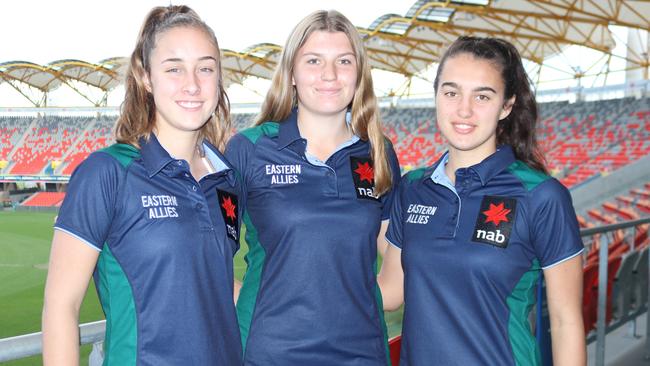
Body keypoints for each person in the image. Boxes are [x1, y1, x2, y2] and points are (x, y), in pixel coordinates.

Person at [42, 5, 242, 365]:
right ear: (146, 77)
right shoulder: (107, 173)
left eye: (206, 68)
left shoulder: (225, 179)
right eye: (174, 68)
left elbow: (213, 285)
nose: (193, 84)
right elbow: (61, 306)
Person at [378, 36, 586, 366]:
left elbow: (565, 322)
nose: (464, 109)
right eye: (451, 92)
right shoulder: (413, 188)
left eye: (482, 96)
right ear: (436, 96)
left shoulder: (542, 196)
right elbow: (390, 290)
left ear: (507, 105)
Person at [225, 9, 401, 365]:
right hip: (270, 354)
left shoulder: (378, 153)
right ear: (291, 72)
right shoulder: (249, 150)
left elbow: (396, 281)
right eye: (314, 60)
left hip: (362, 354)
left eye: (344, 61)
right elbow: (205, 259)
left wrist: (341, 310)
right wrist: (273, 309)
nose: (330, 75)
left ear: (359, 73)